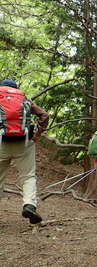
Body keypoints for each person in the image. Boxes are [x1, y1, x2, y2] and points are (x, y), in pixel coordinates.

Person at [0, 79, 49, 224]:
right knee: (28, 176)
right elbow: (44, 115)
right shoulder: (23, 98)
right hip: (24, 142)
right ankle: (29, 205)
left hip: (1, 142)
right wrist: (37, 135)